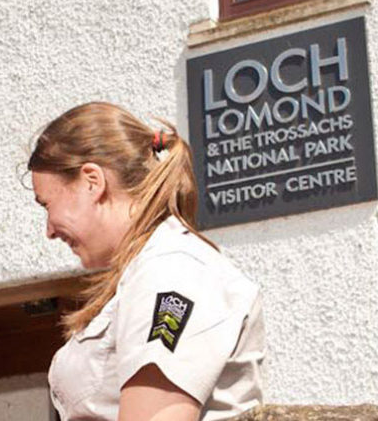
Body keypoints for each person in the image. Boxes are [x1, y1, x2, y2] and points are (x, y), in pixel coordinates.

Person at [28, 102, 265, 420]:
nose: (49, 230)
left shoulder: (172, 272)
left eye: (47, 204)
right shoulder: (148, 271)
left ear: (92, 182)